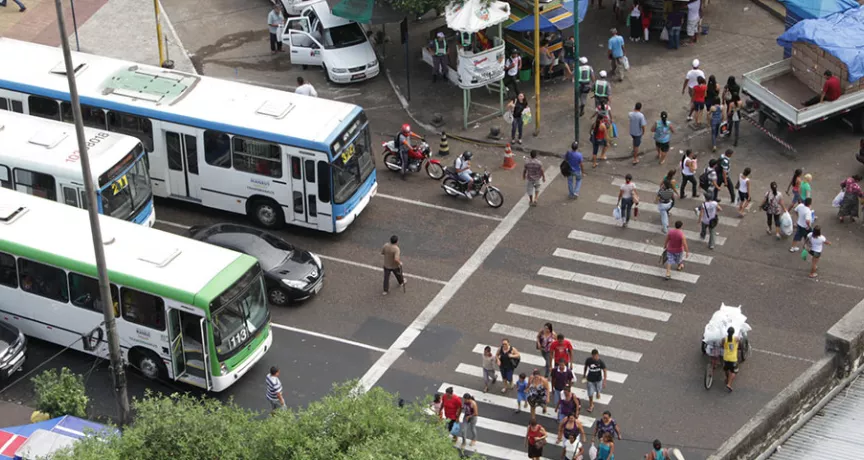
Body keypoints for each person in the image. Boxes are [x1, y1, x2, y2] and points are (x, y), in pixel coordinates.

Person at [583, 349, 607, 413]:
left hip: (598, 379)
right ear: (592, 355)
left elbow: (604, 370)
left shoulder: (600, 362)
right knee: (590, 393)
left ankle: (598, 392)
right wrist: (584, 374)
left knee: (598, 389)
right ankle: (591, 405)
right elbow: (585, 367)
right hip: (590, 380)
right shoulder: (588, 360)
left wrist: (604, 381)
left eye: (596, 356)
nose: (595, 357)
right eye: (593, 356)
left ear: (598, 355)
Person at [722, 327, 739, 392]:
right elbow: (739, 341)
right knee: (734, 372)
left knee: (726, 369)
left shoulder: (724, 339)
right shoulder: (736, 339)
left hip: (726, 357)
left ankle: (727, 378)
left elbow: (722, 344)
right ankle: (729, 384)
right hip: (733, 359)